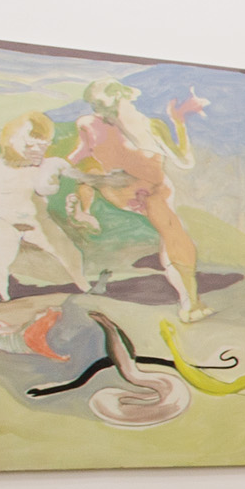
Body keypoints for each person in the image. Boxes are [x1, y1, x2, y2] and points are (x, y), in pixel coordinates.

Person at [68, 80, 212, 321]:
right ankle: (84, 211)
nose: (98, 110)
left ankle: (190, 300)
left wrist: (178, 121)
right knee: (91, 174)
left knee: (172, 232)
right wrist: (58, 168)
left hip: (155, 189)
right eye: (94, 105)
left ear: (120, 95)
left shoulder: (153, 126)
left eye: (100, 103)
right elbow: (79, 157)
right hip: (118, 187)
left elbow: (185, 161)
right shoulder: (90, 125)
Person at [0, 112, 96, 302]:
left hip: (37, 221)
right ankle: (3, 294)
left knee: (69, 253)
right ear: (11, 139)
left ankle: (86, 287)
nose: (37, 149)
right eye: (30, 143)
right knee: (0, 250)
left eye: (43, 144)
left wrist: (83, 208)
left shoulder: (50, 165)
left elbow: (84, 178)